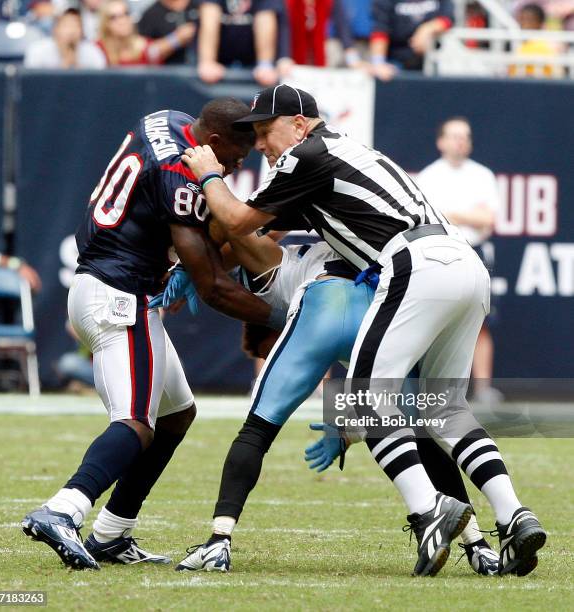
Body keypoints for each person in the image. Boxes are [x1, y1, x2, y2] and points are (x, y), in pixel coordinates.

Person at [177, 84, 546, 577]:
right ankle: (513, 514)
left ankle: (428, 510)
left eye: (266, 130)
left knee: (368, 399)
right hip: (465, 262)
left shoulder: (304, 156)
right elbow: (261, 227)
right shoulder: (340, 153)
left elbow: (241, 221)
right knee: (445, 409)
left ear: (300, 124)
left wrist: (206, 178)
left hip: (413, 265)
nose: (261, 143)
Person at [21, 98, 287, 570]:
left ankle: (111, 533)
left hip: (105, 284)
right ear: (214, 142)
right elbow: (212, 288)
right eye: (235, 157)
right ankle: (64, 509)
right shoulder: (181, 177)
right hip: (120, 297)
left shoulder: (166, 120)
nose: (236, 166)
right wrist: (285, 321)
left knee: (177, 414)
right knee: (135, 422)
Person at [170, 229, 500, 575]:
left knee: (256, 430)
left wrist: (188, 268)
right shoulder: (355, 236)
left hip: (321, 305)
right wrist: (345, 427)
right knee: (420, 430)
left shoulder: (269, 262)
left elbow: (231, 249)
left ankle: (219, 541)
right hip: (375, 309)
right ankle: (478, 546)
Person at [417, 117, 502, 404]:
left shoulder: (483, 175)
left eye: (465, 136)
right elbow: (429, 221)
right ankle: (433, 391)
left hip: (475, 252)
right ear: (441, 141)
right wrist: (467, 214)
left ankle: (483, 389)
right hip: (439, 254)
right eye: (454, 136)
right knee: (432, 321)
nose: (460, 141)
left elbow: (488, 219)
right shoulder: (428, 177)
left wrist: (451, 213)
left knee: (481, 323)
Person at [196, 0, 290, 86]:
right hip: (219, 60)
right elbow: (209, 17)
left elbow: (268, 18)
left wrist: (267, 64)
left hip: (254, 62)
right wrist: (207, 61)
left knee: (265, 15)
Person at [369, 0, 454, 81]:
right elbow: (380, 32)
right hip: (398, 59)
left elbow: (449, 19)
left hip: (434, 56)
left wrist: (427, 29)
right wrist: (378, 63)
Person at [97, 0, 187, 65]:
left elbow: (159, 50)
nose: (122, 21)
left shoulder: (144, 47)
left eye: (126, 14)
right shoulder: (98, 50)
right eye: (114, 17)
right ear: (105, 23)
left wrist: (177, 38)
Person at [24, 8, 106, 69]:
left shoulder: (93, 52)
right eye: (66, 25)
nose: (71, 31)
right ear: (55, 29)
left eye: (76, 26)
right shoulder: (38, 51)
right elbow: (32, 83)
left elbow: (100, 82)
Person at [137, 0, 197, 65]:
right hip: (168, 70)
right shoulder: (151, 14)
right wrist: (176, 39)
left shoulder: (201, 6)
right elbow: (144, 53)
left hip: (203, 69)